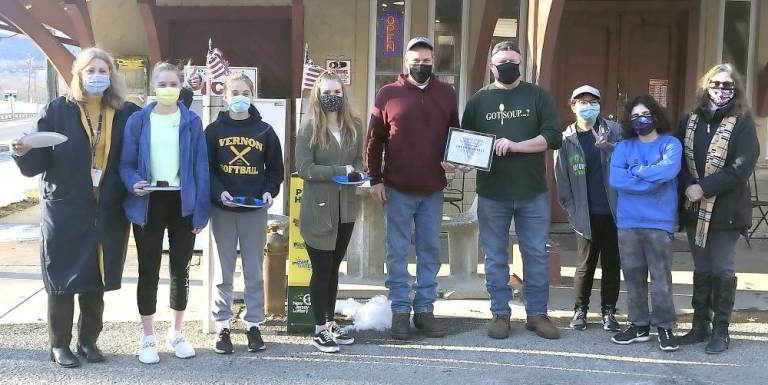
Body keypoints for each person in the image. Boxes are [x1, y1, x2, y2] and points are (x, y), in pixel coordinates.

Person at [10, 47, 139, 368]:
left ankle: (88, 342)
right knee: (63, 277)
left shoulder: (125, 112)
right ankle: (60, 345)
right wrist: (22, 150)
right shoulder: (58, 110)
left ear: (112, 76)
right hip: (66, 209)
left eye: (103, 70)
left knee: (97, 277)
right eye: (90, 70)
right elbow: (35, 163)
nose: (97, 76)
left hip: (107, 209)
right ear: (78, 75)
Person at [461, 41, 562, 340]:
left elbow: (552, 137)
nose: (508, 66)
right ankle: (500, 314)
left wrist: (517, 146)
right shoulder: (479, 101)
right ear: (492, 66)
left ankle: (537, 314)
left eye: (513, 62)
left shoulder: (538, 96)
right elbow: (467, 141)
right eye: (502, 62)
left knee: (535, 255)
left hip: (532, 192)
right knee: (494, 257)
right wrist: (464, 162)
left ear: (521, 65)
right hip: (493, 193)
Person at [367, 37, 459, 340]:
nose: (422, 65)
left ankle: (424, 310)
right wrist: (375, 179)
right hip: (397, 188)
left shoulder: (446, 94)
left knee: (430, 252)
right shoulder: (387, 93)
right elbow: (374, 140)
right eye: (416, 60)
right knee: (396, 253)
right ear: (406, 61)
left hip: (433, 189)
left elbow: (454, 136)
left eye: (427, 60)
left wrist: (455, 160)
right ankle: (400, 312)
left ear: (434, 61)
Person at [120, 62, 210, 364]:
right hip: (148, 202)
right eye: (163, 83)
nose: (168, 89)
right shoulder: (138, 121)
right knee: (148, 269)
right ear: (153, 86)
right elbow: (126, 164)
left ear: (181, 86)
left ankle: (177, 332)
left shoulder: (191, 122)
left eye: (174, 84)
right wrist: (134, 183)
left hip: (181, 203)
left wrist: (200, 211)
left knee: (180, 270)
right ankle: (147, 337)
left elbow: (200, 168)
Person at [677, 64, 760, 354]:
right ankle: (700, 326)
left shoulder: (743, 122)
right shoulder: (690, 120)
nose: (721, 90)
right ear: (705, 86)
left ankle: (721, 331)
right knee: (702, 268)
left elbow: (742, 166)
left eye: (727, 85)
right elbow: (678, 157)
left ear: (735, 89)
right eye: (716, 84)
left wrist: (705, 187)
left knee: (722, 267)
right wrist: (690, 186)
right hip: (694, 209)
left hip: (726, 210)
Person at [205, 73, 283, 354]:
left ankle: (253, 325)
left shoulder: (264, 131)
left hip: (253, 210)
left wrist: (268, 191)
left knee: (253, 271)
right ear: (225, 96)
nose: (240, 96)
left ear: (252, 95)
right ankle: (223, 325)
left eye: (245, 91)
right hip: (223, 209)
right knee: (223, 272)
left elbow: (275, 170)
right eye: (234, 91)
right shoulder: (213, 131)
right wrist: (218, 191)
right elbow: (207, 168)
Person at [296, 71, 364, 352]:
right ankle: (318, 329)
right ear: (317, 95)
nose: (332, 97)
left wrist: (358, 172)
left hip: (346, 208)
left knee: (334, 269)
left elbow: (358, 159)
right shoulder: (309, 128)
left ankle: (329, 319)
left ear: (344, 95)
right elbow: (305, 169)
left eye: (337, 92)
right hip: (319, 210)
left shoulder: (355, 125)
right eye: (327, 93)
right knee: (321, 270)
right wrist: (339, 171)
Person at [609, 95, 681, 352]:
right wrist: (651, 179)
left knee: (660, 276)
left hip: (659, 221)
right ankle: (639, 325)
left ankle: (664, 327)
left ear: (656, 115)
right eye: (635, 116)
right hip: (628, 221)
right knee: (633, 276)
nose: (641, 120)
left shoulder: (670, 144)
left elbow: (668, 171)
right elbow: (617, 180)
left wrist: (636, 172)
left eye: (646, 114)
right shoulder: (623, 147)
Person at [555, 85, 622, 332]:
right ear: (573, 106)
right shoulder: (566, 140)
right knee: (585, 265)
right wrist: (571, 210)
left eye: (592, 101)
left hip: (614, 211)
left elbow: (629, 160)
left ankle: (609, 312)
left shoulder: (615, 132)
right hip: (584, 213)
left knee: (612, 263)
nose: (587, 106)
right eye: (581, 102)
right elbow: (561, 178)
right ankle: (580, 310)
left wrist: (608, 147)